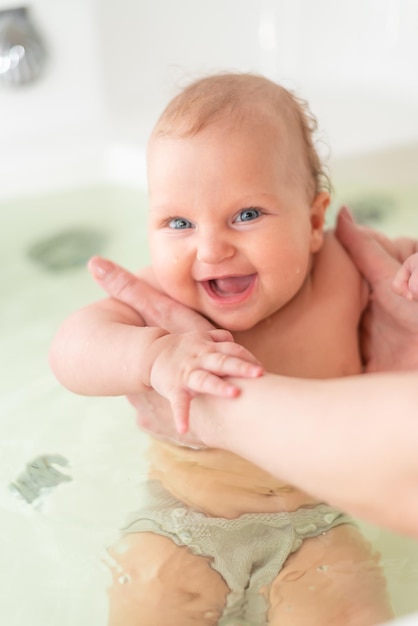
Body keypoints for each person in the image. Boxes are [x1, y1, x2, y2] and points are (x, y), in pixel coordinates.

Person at [49, 72, 416, 625]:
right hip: (187, 522)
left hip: (318, 523)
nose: (211, 248)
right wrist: (152, 358)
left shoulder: (348, 267)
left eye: (247, 215)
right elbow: (71, 349)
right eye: (178, 222)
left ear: (314, 220)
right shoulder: (161, 301)